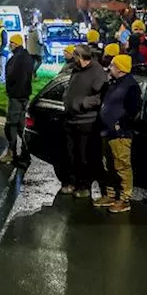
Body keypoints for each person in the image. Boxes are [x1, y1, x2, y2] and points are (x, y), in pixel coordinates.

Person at [95, 54, 141, 213]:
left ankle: (124, 199)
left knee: (122, 166)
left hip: (120, 134)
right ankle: (111, 195)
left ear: (120, 68)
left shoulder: (131, 86)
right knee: (108, 165)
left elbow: (133, 110)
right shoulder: (114, 82)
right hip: (107, 132)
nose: (110, 68)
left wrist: (119, 125)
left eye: (113, 65)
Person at [61, 45, 107, 197]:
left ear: (80, 57)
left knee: (84, 156)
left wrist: (83, 103)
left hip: (86, 121)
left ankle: (84, 186)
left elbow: (101, 96)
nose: (72, 60)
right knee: (70, 154)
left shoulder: (97, 72)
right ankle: (72, 182)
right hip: (71, 119)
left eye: (75, 58)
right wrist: (67, 97)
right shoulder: (77, 69)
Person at [0, 33, 36, 164]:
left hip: (16, 96)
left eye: (11, 43)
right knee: (21, 126)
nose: (10, 45)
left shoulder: (17, 59)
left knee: (11, 125)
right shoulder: (27, 57)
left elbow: (12, 75)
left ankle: (11, 152)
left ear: (16, 44)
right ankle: (25, 153)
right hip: (25, 95)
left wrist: (10, 89)